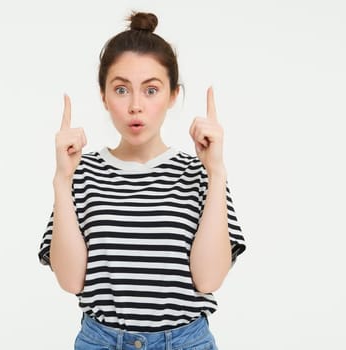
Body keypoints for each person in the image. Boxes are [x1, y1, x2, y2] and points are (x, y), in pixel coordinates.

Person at [38, 11, 247, 350]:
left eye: (151, 90)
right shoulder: (82, 174)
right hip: (101, 341)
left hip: (184, 342)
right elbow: (71, 280)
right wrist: (62, 181)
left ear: (173, 95)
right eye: (121, 89)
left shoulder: (199, 173)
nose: (136, 105)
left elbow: (209, 279)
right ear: (103, 96)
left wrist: (217, 172)